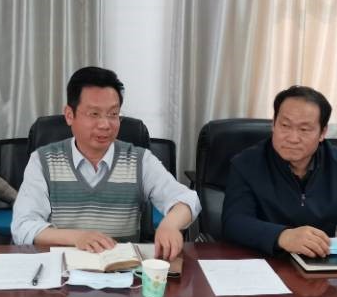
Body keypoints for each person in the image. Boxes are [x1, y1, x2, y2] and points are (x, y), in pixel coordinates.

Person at [11, 66, 200, 260]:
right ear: (69, 115)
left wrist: (169, 225)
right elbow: (23, 226)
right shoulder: (43, 161)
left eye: (113, 114)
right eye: (94, 114)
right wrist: (78, 238)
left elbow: (187, 199)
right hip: (62, 270)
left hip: (122, 270)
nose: (105, 124)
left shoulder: (139, 160)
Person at [221, 86, 337, 257]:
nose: (293, 138)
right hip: (263, 260)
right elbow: (234, 222)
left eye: (304, 129)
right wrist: (282, 236)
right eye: (285, 125)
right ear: (273, 124)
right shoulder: (246, 163)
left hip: (319, 262)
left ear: (322, 132)